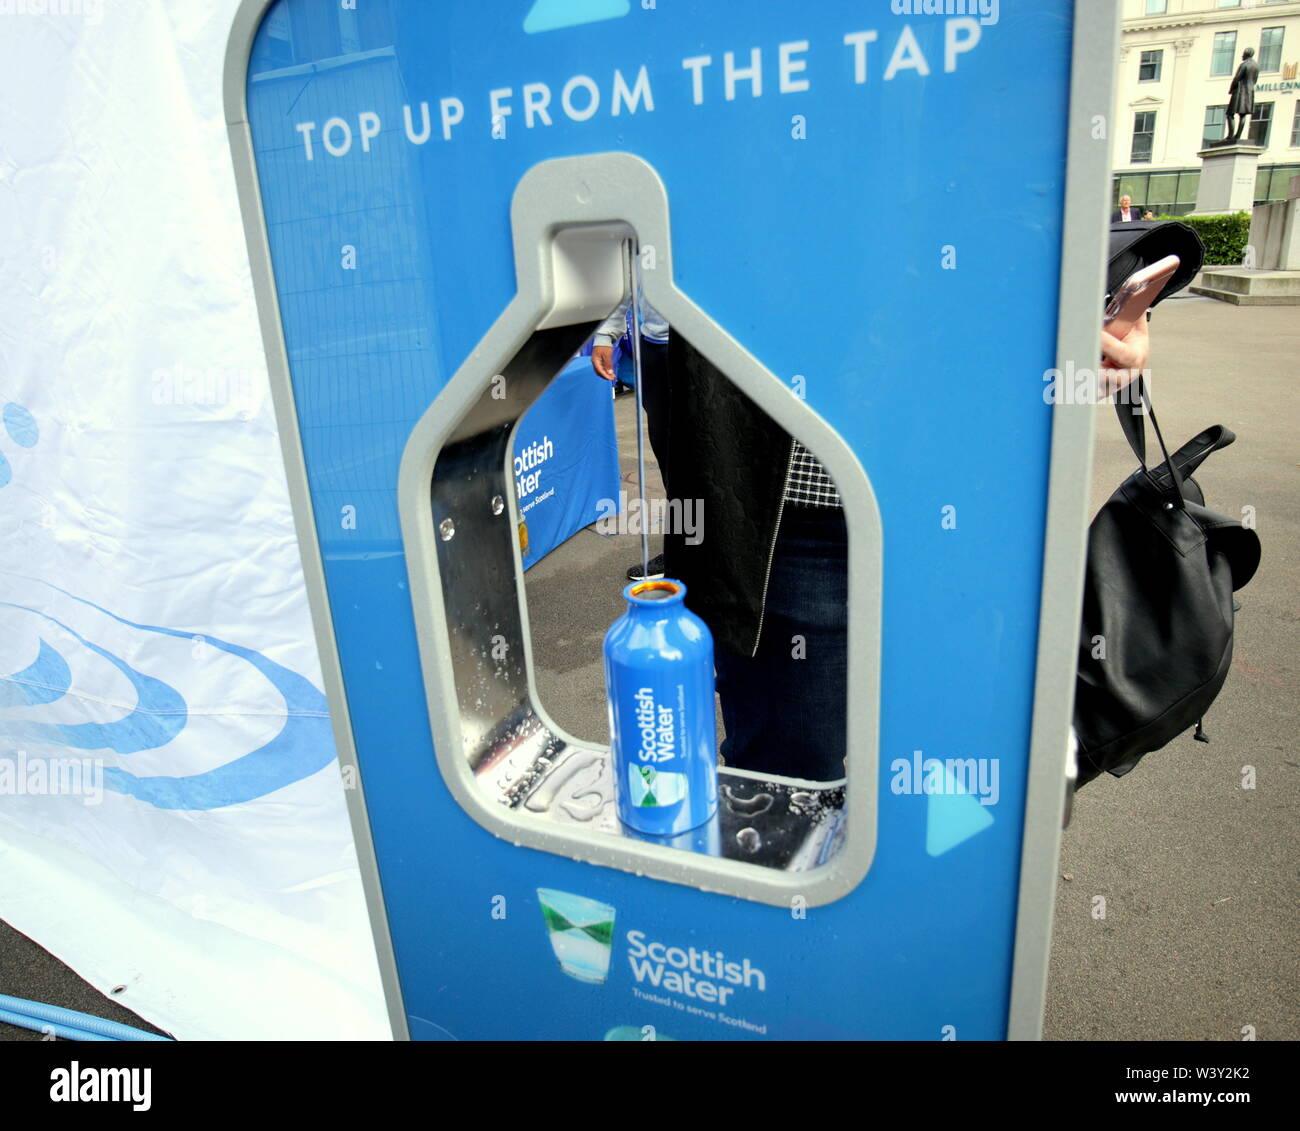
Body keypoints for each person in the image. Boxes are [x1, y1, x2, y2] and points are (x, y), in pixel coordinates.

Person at [590, 297, 672, 580]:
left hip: (712, 342)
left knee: (713, 454)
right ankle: (683, 551)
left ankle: (727, 556)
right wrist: (605, 334)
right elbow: (623, 268)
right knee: (668, 453)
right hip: (657, 346)